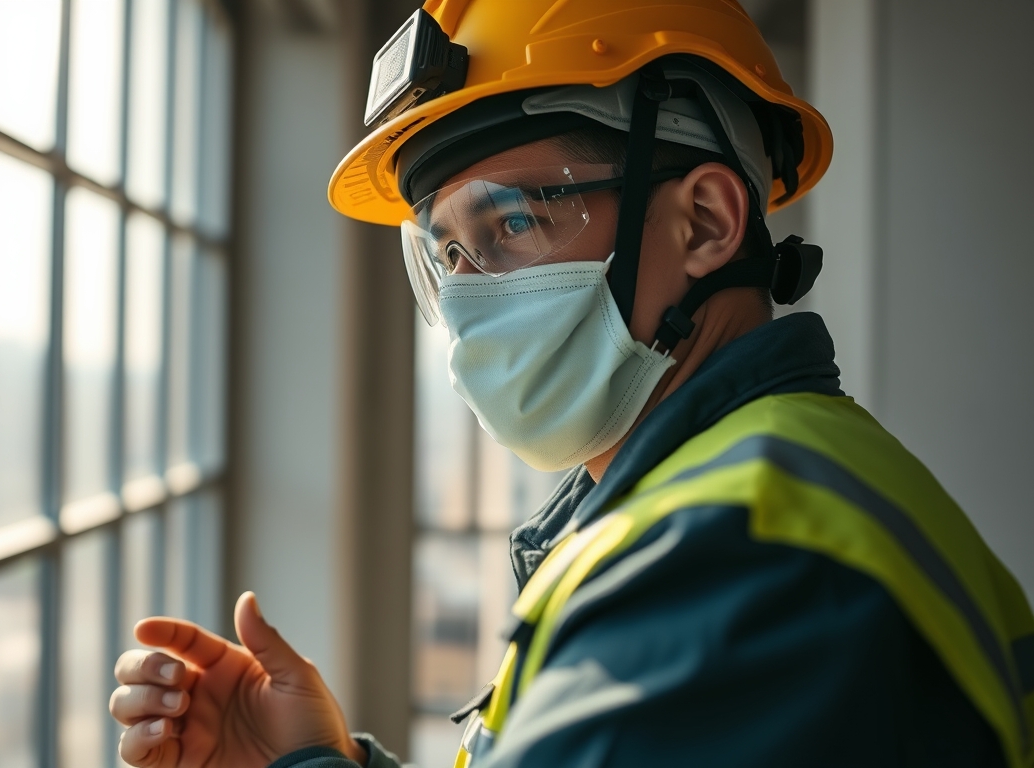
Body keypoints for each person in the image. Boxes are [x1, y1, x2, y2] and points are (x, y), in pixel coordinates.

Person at [108, 1, 1034, 766]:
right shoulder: (728, 505)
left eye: (513, 222)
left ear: (706, 222)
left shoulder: (737, 565)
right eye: (448, 256)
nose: (469, 299)